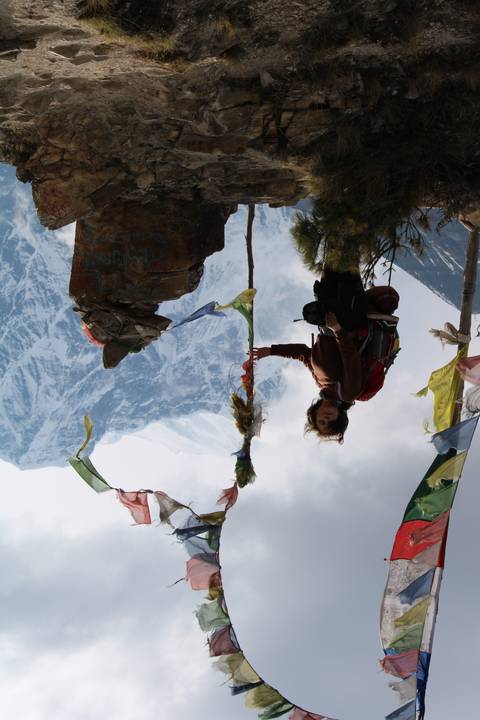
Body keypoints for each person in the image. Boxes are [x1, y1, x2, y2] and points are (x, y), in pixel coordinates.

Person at [253, 280, 400, 443]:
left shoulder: (320, 383)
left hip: (329, 321)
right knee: (343, 275)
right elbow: (350, 358)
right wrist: (337, 329)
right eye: (331, 422)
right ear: (340, 416)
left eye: (321, 421)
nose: (326, 418)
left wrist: (271, 350)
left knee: (318, 298)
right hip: (347, 322)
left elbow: (303, 353)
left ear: (315, 413)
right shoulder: (348, 392)